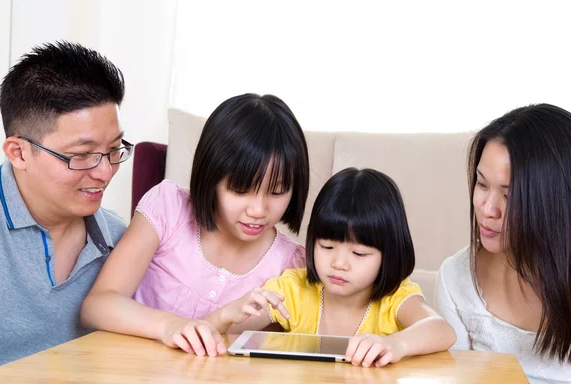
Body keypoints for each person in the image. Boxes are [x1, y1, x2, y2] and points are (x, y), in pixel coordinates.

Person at [81, 93, 310, 357]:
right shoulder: (169, 208)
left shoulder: (291, 265)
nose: (258, 210)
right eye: (240, 189)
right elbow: (97, 306)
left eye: (277, 192)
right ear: (211, 176)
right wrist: (170, 326)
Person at [0, 41, 132, 374]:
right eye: (81, 155)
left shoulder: (122, 241)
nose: (105, 172)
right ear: (18, 153)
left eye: (115, 149)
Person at [206, 167, 456, 367]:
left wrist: (396, 345)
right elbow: (224, 334)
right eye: (326, 247)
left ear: (388, 254)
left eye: (358, 253)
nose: (339, 263)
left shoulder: (394, 299)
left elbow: (442, 330)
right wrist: (228, 314)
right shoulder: (294, 289)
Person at [435, 103, 571, 383]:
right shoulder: (456, 278)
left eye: (510, 196)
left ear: (555, 199)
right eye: (482, 185)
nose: (488, 209)